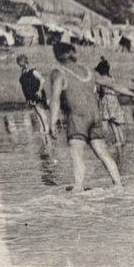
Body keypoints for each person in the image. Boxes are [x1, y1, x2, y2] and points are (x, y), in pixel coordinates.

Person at [48, 42, 122, 192]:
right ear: (72, 53)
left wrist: (52, 122)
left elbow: (55, 100)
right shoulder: (87, 70)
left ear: (57, 56)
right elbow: (111, 84)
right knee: (103, 152)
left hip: (78, 117)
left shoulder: (59, 73)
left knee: (76, 152)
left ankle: (78, 187)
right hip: (95, 116)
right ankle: (118, 184)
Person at [94, 57, 134, 149]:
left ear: (100, 72)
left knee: (110, 122)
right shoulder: (111, 78)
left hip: (107, 101)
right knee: (116, 123)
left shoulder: (102, 80)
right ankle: (121, 140)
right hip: (114, 100)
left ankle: (116, 141)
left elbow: (100, 91)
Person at [16, 53, 48, 138]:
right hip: (30, 95)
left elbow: (42, 80)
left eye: (21, 63)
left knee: (40, 111)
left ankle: (47, 129)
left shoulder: (33, 71)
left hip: (37, 93)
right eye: (19, 64)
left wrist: (39, 91)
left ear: (24, 62)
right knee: (37, 112)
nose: (20, 65)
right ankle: (42, 128)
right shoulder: (23, 72)